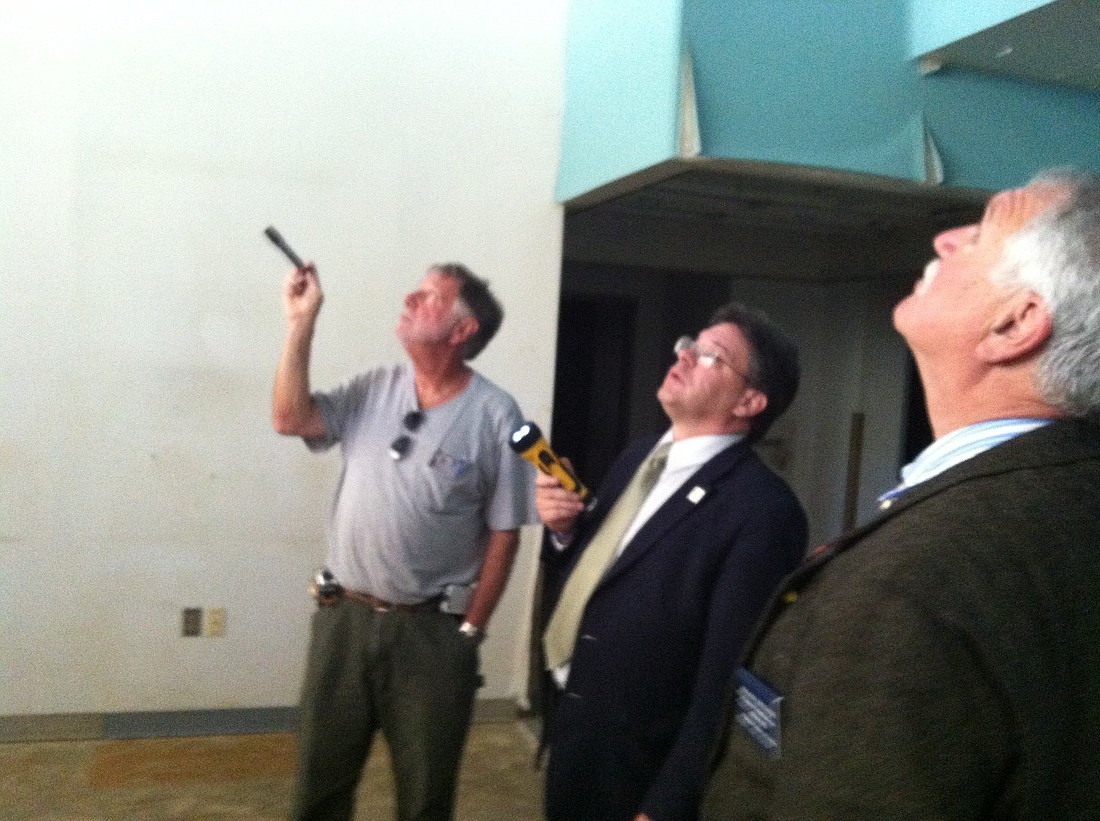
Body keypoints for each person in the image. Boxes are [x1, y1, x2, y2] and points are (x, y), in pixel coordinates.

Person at [703, 170, 1100, 820]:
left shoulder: (918, 581)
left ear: (1015, 323)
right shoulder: (1065, 500)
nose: (945, 237)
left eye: (979, 234)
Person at [272, 260, 536, 821]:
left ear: (463, 331)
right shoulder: (374, 389)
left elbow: (505, 532)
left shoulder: (495, 415)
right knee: (317, 790)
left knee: (424, 799)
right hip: (342, 620)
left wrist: (470, 632)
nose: (410, 300)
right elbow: (290, 418)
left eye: (428, 297)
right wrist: (301, 324)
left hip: (431, 637)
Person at [537, 301, 808, 821]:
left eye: (711, 357)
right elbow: (603, 574)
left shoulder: (763, 511)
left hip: (643, 761)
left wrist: (667, 804)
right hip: (575, 722)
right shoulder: (640, 456)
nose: (684, 356)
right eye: (690, 344)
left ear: (750, 400)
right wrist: (563, 534)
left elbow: (727, 678)